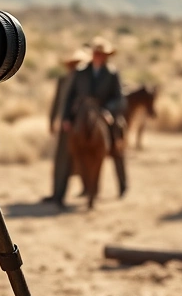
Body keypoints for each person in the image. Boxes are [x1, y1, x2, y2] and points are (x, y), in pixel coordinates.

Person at [62, 36, 127, 198]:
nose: (99, 56)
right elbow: (69, 96)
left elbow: (119, 98)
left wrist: (108, 111)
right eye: (97, 53)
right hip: (83, 111)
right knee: (72, 141)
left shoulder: (112, 73)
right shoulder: (81, 72)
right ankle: (84, 186)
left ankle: (122, 184)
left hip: (104, 110)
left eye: (102, 54)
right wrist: (66, 118)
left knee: (117, 132)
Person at [42, 48, 89, 208]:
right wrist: (52, 121)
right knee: (60, 161)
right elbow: (57, 103)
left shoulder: (85, 82)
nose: (74, 67)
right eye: (73, 64)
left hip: (80, 127)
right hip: (64, 126)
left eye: (78, 64)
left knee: (81, 160)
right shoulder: (63, 80)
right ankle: (57, 195)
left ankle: (88, 191)